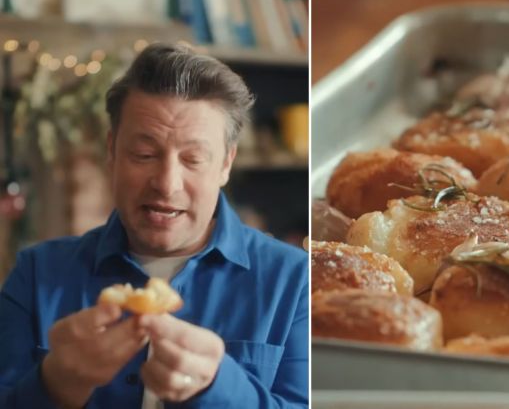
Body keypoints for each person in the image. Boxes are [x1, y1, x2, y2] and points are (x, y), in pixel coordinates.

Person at [0, 43, 308, 409]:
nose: (166, 183)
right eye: (144, 155)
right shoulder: (35, 275)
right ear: (112, 152)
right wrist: (55, 384)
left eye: (193, 159)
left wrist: (218, 387)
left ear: (226, 164)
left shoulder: (296, 280)